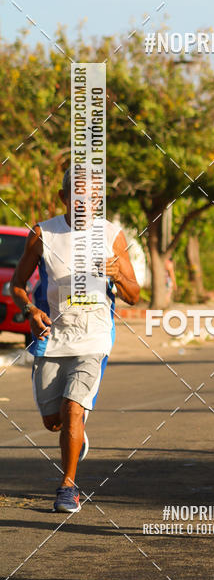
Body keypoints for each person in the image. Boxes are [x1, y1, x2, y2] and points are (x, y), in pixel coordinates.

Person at [10, 168, 140, 512]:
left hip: (94, 337)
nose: (86, 203)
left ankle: (67, 487)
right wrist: (30, 310)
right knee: (53, 421)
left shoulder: (112, 235)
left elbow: (135, 294)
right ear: (63, 197)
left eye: (93, 197)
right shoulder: (43, 233)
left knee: (73, 410)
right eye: (78, 196)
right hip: (53, 336)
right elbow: (18, 284)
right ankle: (74, 438)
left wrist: (118, 276)